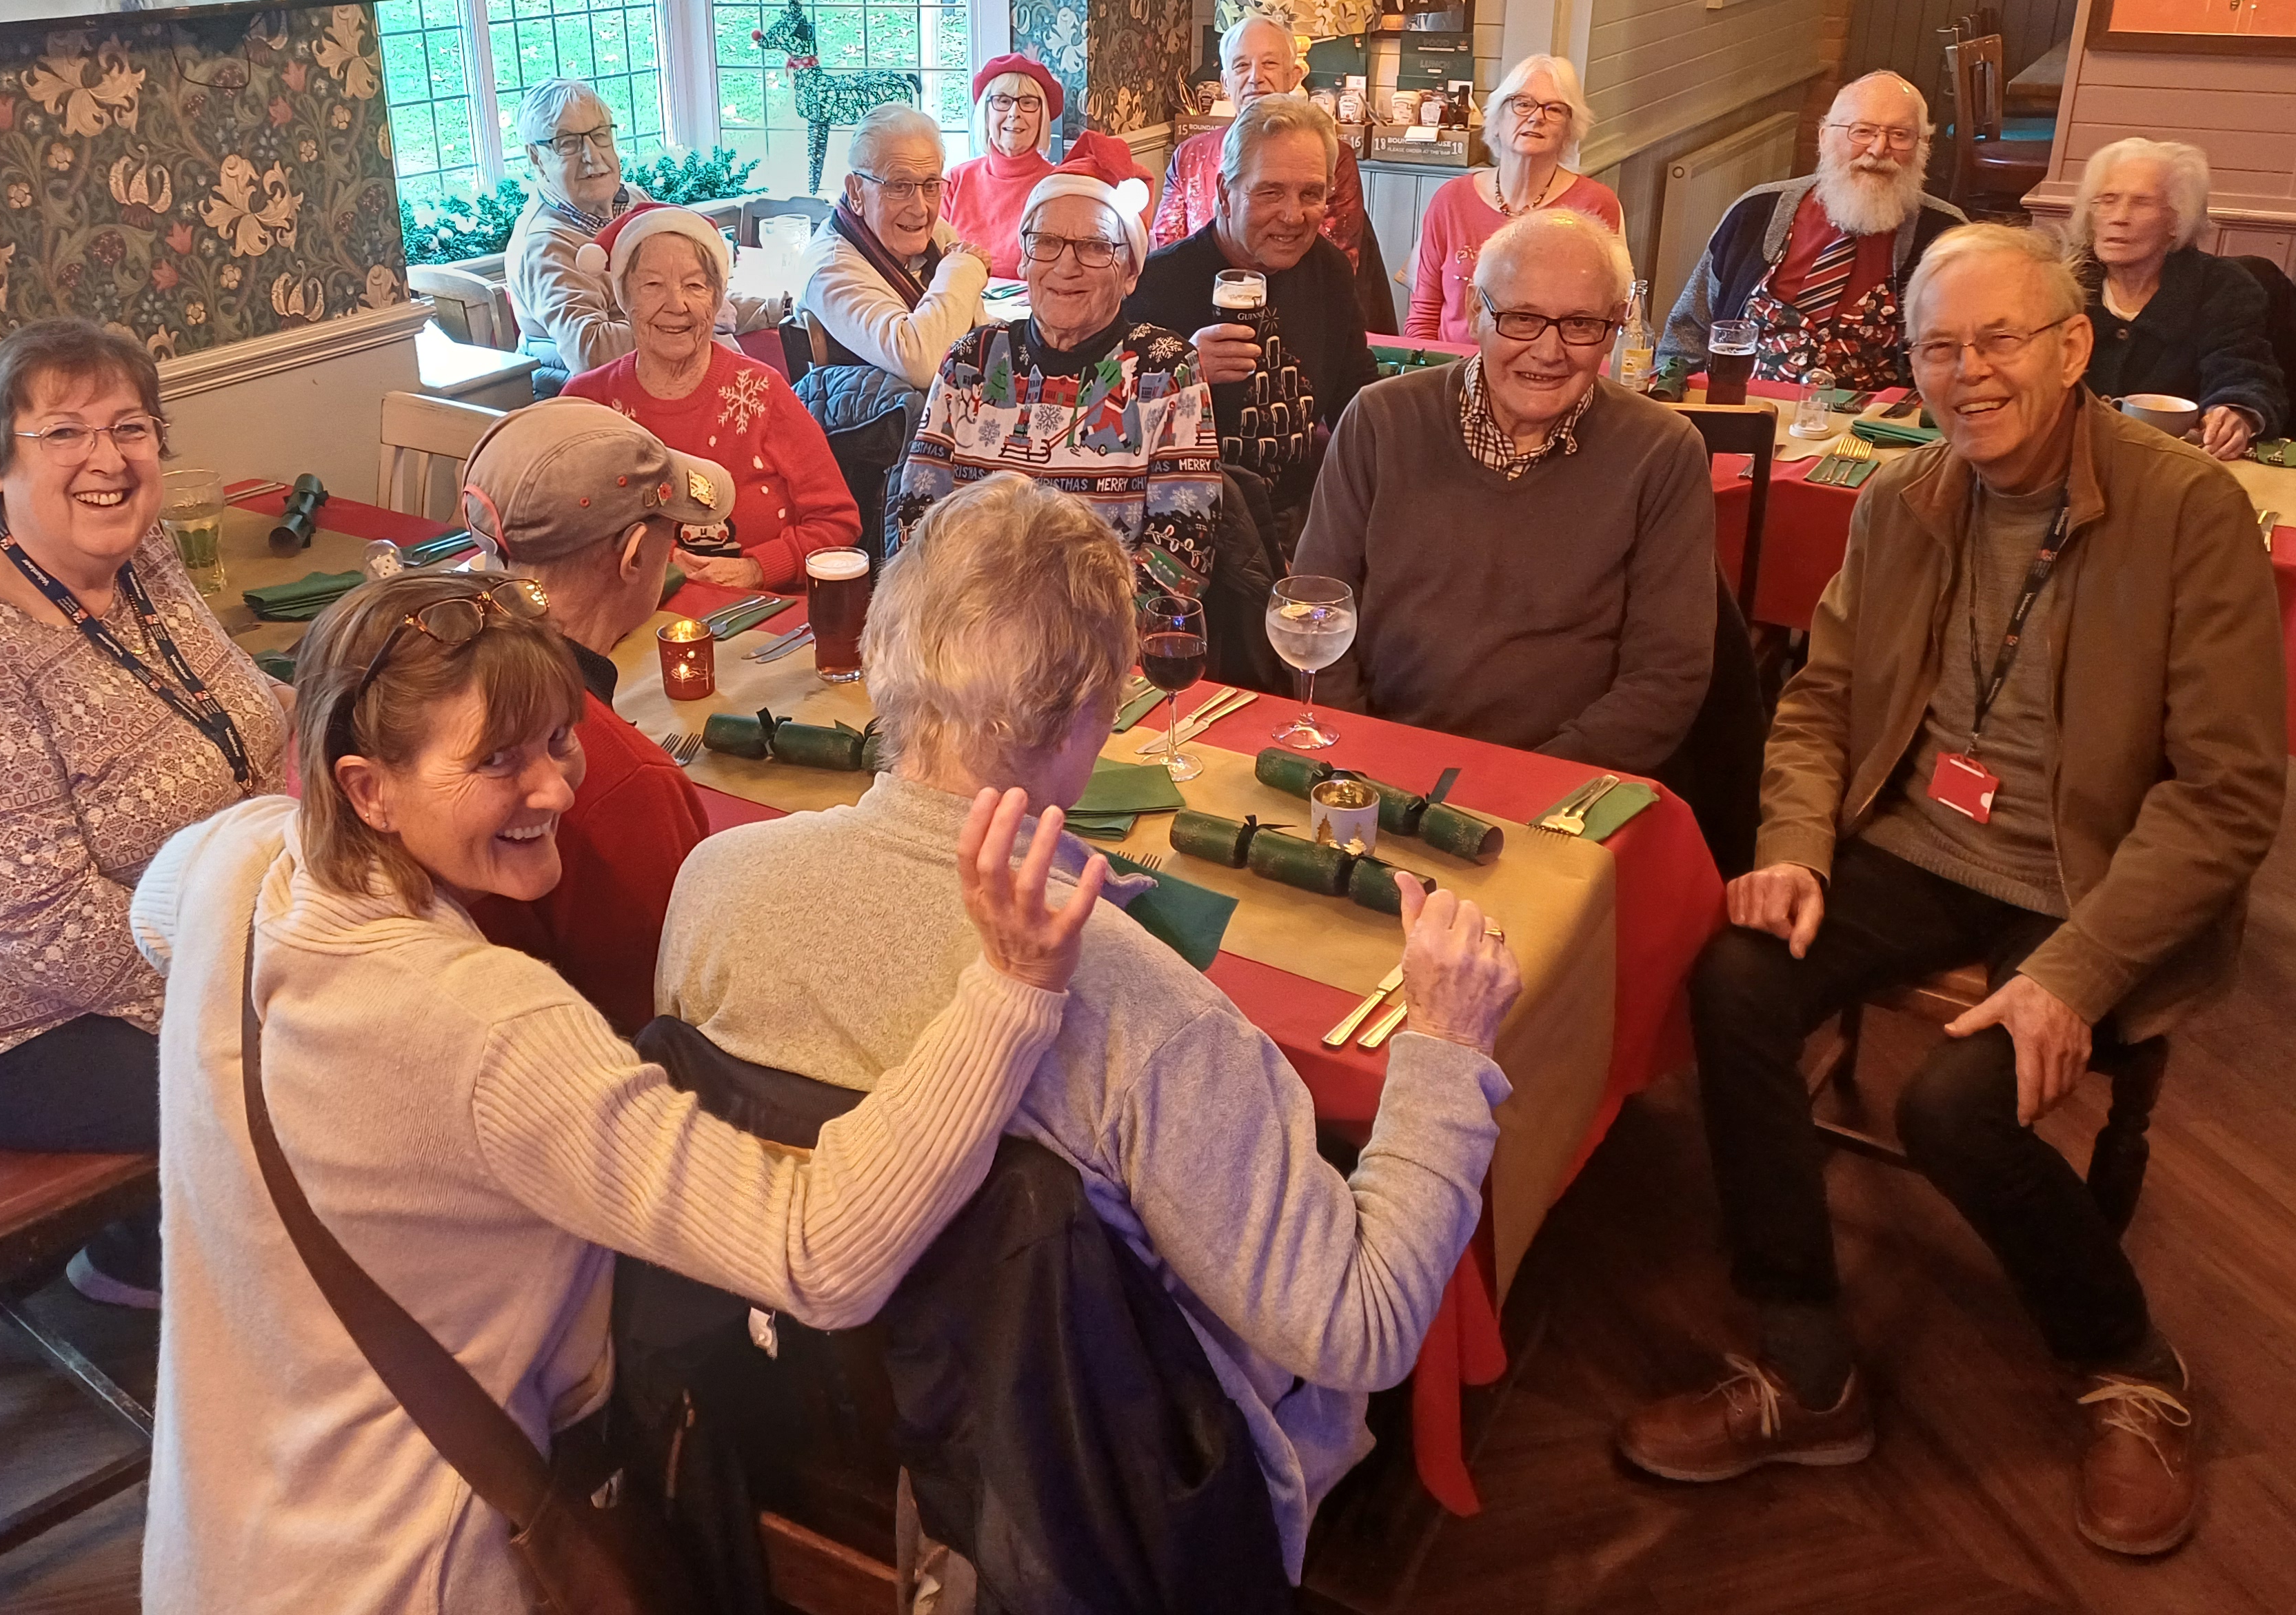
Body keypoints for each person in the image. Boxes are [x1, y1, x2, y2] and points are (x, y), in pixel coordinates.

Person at [129, 569, 1090, 1614]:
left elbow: (152, 913)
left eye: (556, 741)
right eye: (497, 761)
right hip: (417, 1574)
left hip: (212, 1554)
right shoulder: (488, 1029)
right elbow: (821, 1255)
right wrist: (1011, 990)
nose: (553, 790)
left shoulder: (235, 862)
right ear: (369, 789)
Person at [656, 474, 1520, 1587]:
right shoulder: (1143, 1011)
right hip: (1094, 1499)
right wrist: (1446, 1051)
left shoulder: (714, 886)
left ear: (883, 658)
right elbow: (1361, 1326)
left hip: (802, 1434)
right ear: (1091, 720)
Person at [1618, 223, 2286, 1558]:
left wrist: (2071, 977)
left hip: (2094, 878)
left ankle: (2127, 1364)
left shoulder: (2185, 510)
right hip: (1918, 842)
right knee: (1733, 975)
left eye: (1997, 339)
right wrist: (1796, 845)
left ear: (2071, 346)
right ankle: (1805, 1368)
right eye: (1937, 346)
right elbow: (1814, 702)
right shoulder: (1904, 497)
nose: (1965, 372)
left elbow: (2226, 797)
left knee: (1951, 1104)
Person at [0, 319, 288, 1308]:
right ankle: (251, 1307)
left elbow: (246, 710)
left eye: (130, 427)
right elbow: (50, 934)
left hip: (154, 942)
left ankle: (175, 1235)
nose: (107, 459)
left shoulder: (132, 558)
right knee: (324, 1059)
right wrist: (268, 977)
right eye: (64, 433)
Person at [1298, 208, 1716, 771]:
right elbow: (1313, 609)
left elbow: (1667, 677)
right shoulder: (1380, 419)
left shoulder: (1662, 451)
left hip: (1562, 784)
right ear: (1475, 310)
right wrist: (1362, 759)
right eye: (1521, 318)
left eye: (1581, 325)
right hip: (1375, 761)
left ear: (1615, 326)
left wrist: (1524, 787)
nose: (1548, 352)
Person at [452, 398, 732, 1033]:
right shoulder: (619, 778)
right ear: (635, 554)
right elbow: (670, 1016)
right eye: (670, 532)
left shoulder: (412, 680)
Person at [890, 163, 1220, 591]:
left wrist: (1064, 630)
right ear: (1025, 264)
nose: (1066, 266)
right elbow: (919, 524)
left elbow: (1180, 561)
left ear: (1131, 274)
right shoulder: (969, 361)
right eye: (1045, 243)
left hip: (1103, 640)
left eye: (1096, 247)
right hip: (972, 629)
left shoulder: (1167, 369)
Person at [561, 207, 858, 591]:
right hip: (632, 617)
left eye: (695, 286)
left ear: (717, 299)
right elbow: (567, 528)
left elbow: (838, 522)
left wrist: (758, 569)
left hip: (761, 614)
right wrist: (660, 563)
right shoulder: (588, 403)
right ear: (624, 298)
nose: (676, 304)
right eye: (652, 286)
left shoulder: (762, 392)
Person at [1122, 92, 1379, 535]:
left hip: (1296, 521)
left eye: (1310, 194)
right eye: (1270, 192)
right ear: (1225, 192)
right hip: (1181, 522)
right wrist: (1180, 372)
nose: (1293, 215)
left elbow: (1354, 397)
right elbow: (1106, 432)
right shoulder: (1155, 284)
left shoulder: (1328, 270)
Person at [1663, 71, 1966, 392]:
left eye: (1900, 136)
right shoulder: (1756, 213)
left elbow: (1964, 360)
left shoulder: (1946, 238)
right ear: (1823, 138)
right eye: (1861, 131)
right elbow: (1688, 332)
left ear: (1923, 147)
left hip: (1874, 433)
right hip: (1748, 414)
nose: (1879, 149)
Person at [1149, 15, 1396, 334]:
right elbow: (1167, 246)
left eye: (1269, 64)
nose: (1255, 78)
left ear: (1293, 77)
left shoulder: (1326, 154)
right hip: (1198, 315)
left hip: (1297, 317)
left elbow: (1328, 264)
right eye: (1241, 66)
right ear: (1225, 82)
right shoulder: (1191, 154)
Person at [2066, 137, 2285, 460]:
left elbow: (2242, 367)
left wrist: (2236, 411)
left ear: (2177, 221)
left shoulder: (2221, 287)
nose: (2119, 217)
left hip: (2173, 466)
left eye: (2141, 202)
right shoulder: (2063, 282)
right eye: (2107, 200)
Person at [1407, 54, 1624, 343]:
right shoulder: (1451, 200)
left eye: (1555, 109)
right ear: (1496, 121)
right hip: (1452, 371)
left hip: (1547, 371)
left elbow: (1606, 321)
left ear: (1569, 131)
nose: (1536, 117)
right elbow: (1424, 313)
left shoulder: (1594, 205)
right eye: (1522, 104)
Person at [799, 101, 988, 392]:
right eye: (899, 186)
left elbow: (971, 331)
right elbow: (920, 361)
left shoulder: (936, 235)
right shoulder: (831, 268)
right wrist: (962, 271)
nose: (920, 209)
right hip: (880, 432)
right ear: (856, 192)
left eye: (931, 186)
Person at [503, 78, 656, 377]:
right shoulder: (545, 245)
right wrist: (682, 322)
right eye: (568, 143)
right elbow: (592, 352)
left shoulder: (633, 200)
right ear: (536, 157)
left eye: (600, 135)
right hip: (594, 405)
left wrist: (775, 307)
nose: (592, 156)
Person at [938, 53, 1063, 278]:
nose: (1015, 114)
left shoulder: (1059, 187)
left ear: (1042, 116)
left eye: (1028, 103)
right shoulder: (955, 181)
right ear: (986, 113)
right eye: (1003, 101)